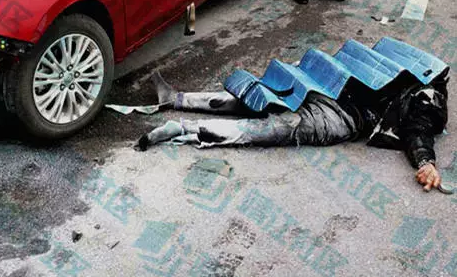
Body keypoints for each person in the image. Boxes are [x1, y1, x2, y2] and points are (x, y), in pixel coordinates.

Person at [134, 38, 450, 193]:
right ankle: (180, 109)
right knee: (271, 108)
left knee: (273, 114)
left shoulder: (428, 93)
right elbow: (417, 123)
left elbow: (418, 130)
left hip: (342, 106)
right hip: (339, 96)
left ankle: (183, 120)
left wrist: (425, 161)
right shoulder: (427, 81)